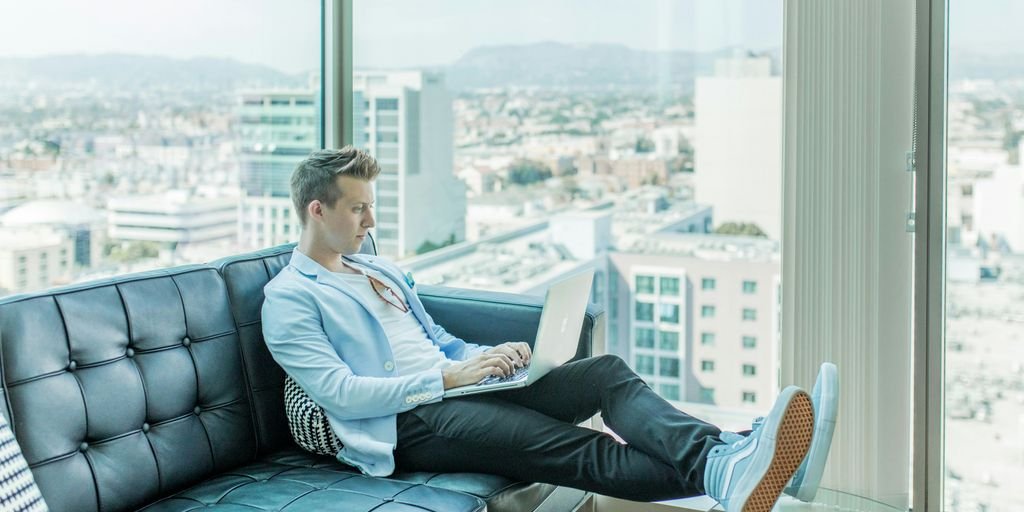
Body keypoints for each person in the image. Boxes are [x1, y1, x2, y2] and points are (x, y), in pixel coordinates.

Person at [262, 147, 839, 512]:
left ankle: (734, 458)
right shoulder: (289, 298)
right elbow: (339, 393)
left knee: (606, 375)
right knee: (574, 448)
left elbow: (437, 339)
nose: (370, 220)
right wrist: (449, 377)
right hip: (407, 423)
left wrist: (494, 356)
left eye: (370, 206)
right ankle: (734, 464)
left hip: (457, 385)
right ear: (317, 209)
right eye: (358, 208)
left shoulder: (376, 268)